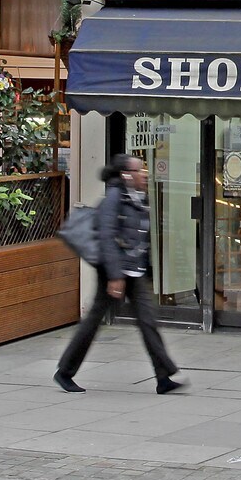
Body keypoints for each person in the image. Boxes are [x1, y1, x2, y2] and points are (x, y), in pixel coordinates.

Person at [56, 154, 184, 395]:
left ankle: (163, 376)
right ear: (126, 174)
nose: (144, 174)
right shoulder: (114, 198)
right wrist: (115, 276)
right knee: (94, 321)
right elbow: (106, 236)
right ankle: (65, 372)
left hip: (133, 271)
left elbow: (139, 236)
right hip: (113, 271)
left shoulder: (137, 196)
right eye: (139, 170)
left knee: (147, 321)